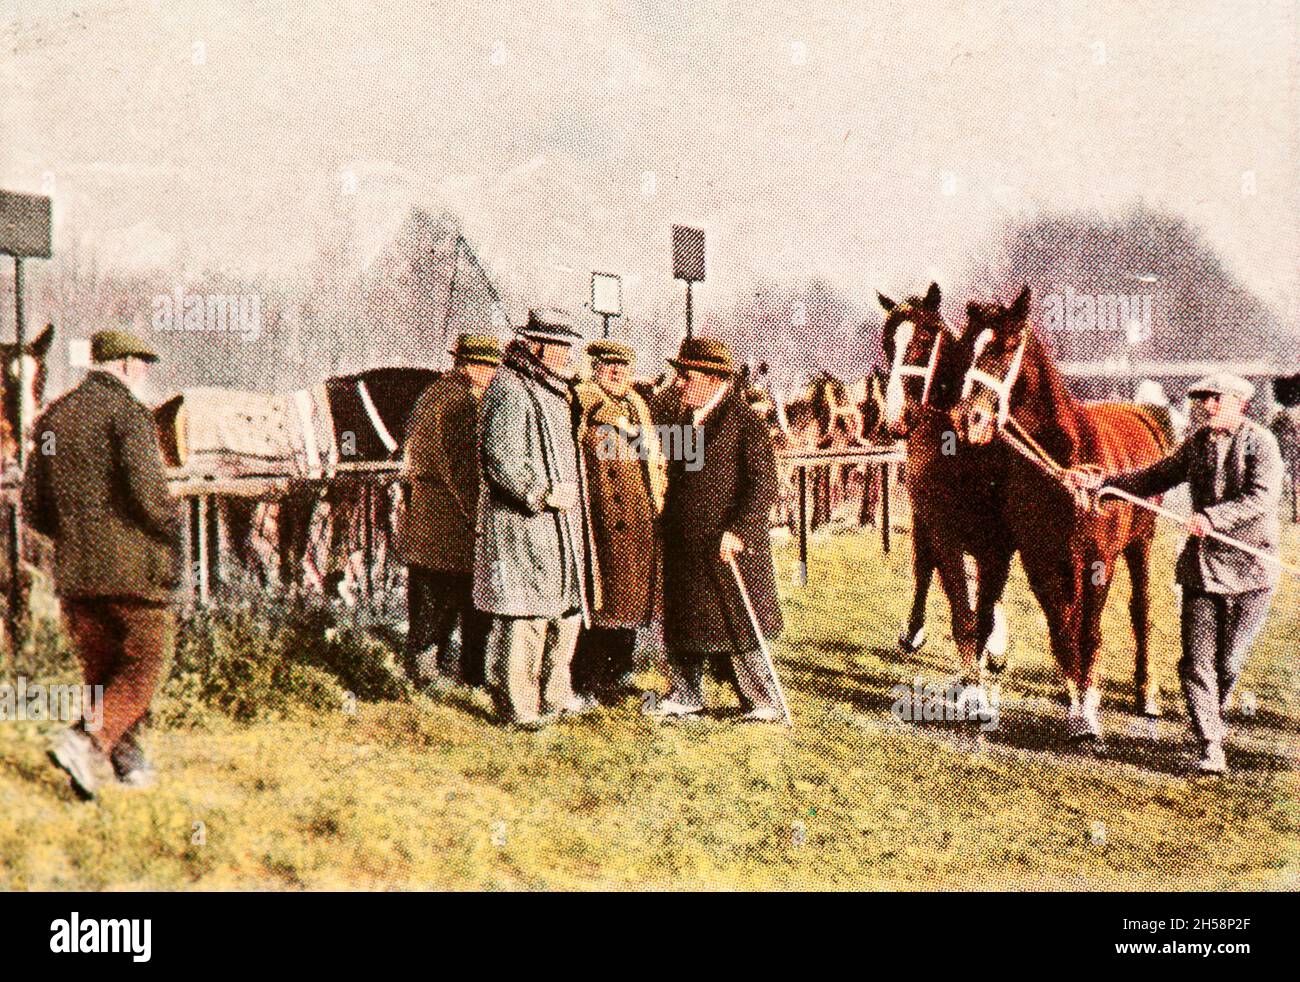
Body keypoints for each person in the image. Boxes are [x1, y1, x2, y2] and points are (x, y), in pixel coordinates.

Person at [1067, 373, 1283, 774]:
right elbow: (1153, 476)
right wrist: (1105, 484)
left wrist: (1212, 518)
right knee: (1196, 661)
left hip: (1252, 571)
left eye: (1215, 399)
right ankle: (1210, 745)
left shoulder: (1261, 444)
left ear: (1239, 403)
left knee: (1228, 664)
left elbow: (1261, 497)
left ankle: (1211, 714)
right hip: (1202, 569)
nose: (1207, 406)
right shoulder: (1196, 445)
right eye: (1203, 399)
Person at [22, 329, 183, 797]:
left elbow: (33, 506)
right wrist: (172, 533)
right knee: (147, 662)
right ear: (127, 364)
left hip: (75, 577)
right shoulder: (128, 415)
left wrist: (76, 539)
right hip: (133, 574)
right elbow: (150, 497)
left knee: (103, 673)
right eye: (144, 365)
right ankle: (84, 740)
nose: (146, 374)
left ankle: (129, 765)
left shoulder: (53, 419)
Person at [650, 336, 786, 723]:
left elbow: (764, 485)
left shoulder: (746, 422)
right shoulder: (683, 420)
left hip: (727, 546)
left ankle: (763, 701)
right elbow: (675, 472)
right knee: (683, 621)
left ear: (712, 379)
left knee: (738, 622)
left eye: (686, 376)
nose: (679, 383)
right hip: (684, 544)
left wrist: (739, 531)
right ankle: (685, 693)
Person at [474, 309, 595, 728]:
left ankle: (554, 697)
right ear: (535, 345)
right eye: (558, 346)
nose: (565, 355)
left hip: (561, 526)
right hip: (525, 524)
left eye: (568, 346)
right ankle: (518, 708)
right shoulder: (510, 387)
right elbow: (500, 457)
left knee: (564, 612)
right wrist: (539, 493)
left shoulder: (554, 390)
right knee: (525, 616)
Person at [397, 333, 501, 687]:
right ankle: (445, 679)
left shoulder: (433, 393)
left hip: (427, 524)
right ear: (476, 367)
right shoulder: (464, 403)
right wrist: (483, 520)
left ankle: (426, 675)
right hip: (453, 530)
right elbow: (463, 471)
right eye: (491, 368)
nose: (494, 375)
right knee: (449, 608)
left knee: (428, 607)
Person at [570, 340, 666, 704]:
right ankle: (588, 679)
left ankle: (617, 673)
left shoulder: (637, 408)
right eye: (610, 366)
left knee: (630, 603)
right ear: (595, 367)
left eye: (624, 367)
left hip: (638, 520)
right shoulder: (583, 404)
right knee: (601, 604)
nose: (618, 373)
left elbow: (656, 459)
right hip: (601, 521)